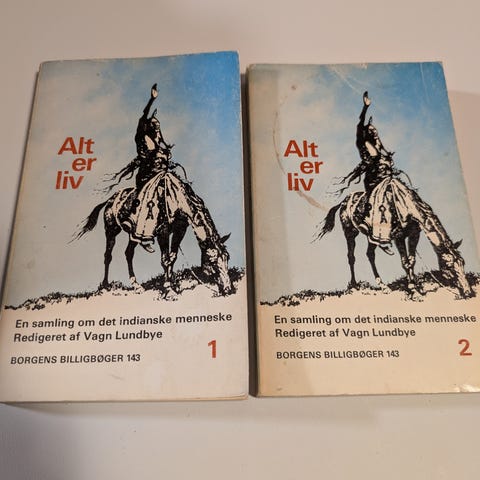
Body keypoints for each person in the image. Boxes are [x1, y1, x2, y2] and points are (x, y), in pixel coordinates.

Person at [339, 91, 397, 255]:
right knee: (378, 201)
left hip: (386, 179)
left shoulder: (378, 148)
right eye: (371, 131)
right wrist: (365, 107)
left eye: (375, 131)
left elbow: (385, 159)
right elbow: (360, 123)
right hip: (373, 181)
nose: (374, 133)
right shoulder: (362, 142)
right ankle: (373, 228)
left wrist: (389, 163)